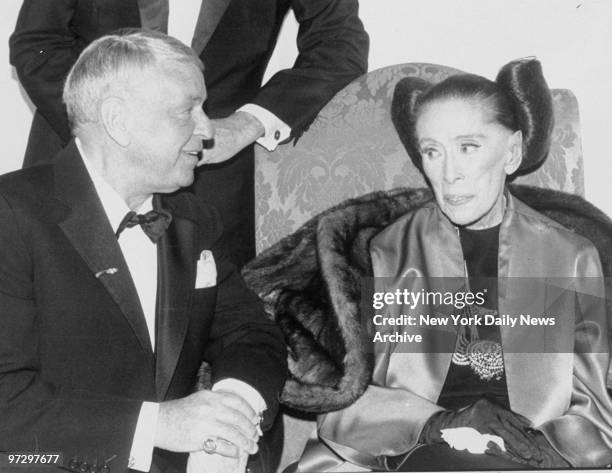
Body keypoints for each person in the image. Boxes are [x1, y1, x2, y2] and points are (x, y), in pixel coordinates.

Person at [295, 59, 612, 470]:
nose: (449, 174)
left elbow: (594, 409)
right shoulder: (385, 253)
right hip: (411, 448)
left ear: (512, 152)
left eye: (468, 147)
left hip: (526, 454)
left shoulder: (568, 257)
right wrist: (438, 422)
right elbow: (343, 400)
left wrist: (543, 448)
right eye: (432, 151)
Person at [0, 30, 287, 473]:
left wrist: (231, 409)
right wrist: (158, 426)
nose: (208, 131)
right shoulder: (11, 214)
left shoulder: (193, 218)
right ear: (118, 121)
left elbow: (251, 335)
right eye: (187, 111)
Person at [9, 0, 369, 268]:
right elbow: (37, 43)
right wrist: (105, 129)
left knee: (214, 339)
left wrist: (248, 124)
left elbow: (339, 44)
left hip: (211, 180)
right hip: (85, 161)